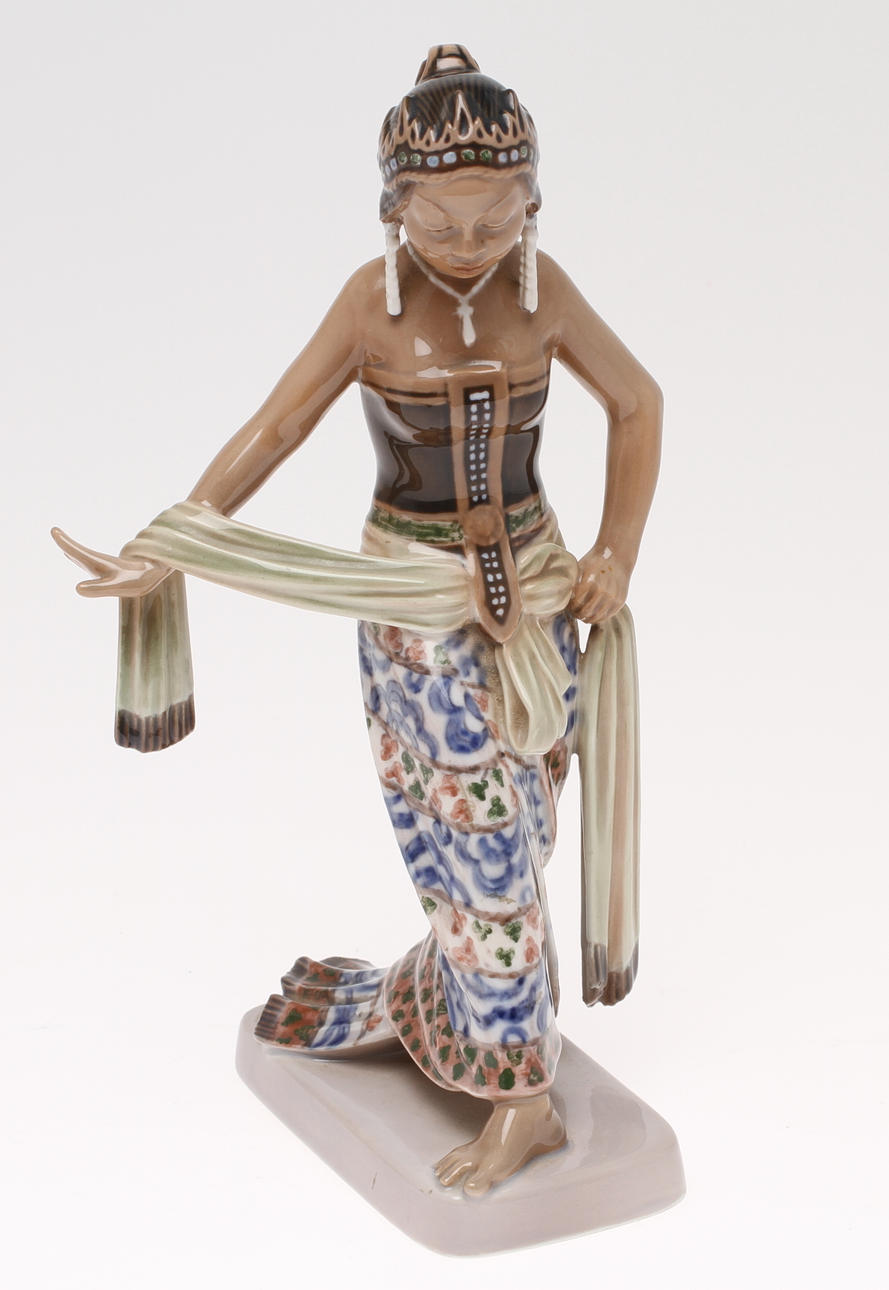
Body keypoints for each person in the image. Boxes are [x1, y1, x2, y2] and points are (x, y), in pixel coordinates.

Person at [53, 45, 662, 1196]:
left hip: (536, 609)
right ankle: (520, 1098)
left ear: (533, 202)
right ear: (393, 208)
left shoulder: (546, 292)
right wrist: (172, 539)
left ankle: (443, 1006)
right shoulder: (366, 306)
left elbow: (637, 402)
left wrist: (614, 551)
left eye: (497, 219)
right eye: (442, 221)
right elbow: (276, 429)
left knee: (518, 846)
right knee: (484, 857)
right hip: (410, 616)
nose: (470, 244)